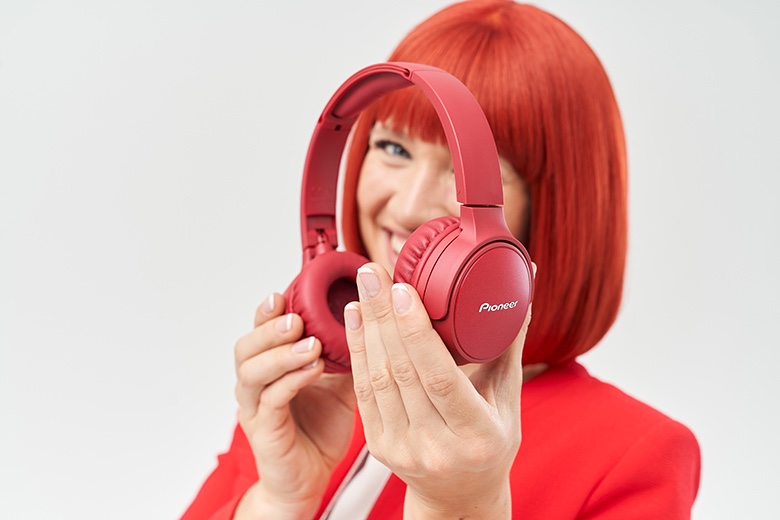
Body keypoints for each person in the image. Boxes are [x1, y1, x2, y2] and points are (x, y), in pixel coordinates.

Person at [182, 1, 701, 518]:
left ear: (559, 209)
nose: (409, 208)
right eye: (393, 148)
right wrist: (279, 500)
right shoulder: (314, 395)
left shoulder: (635, 458)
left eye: (466, 169)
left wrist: (463, 504)